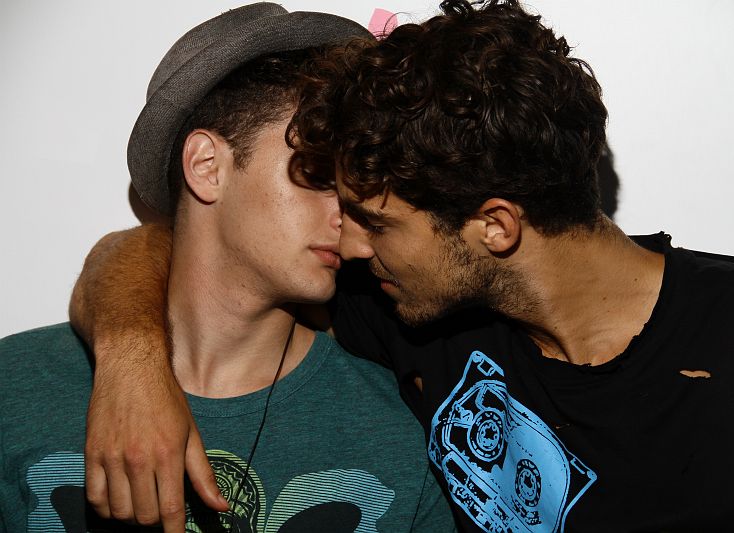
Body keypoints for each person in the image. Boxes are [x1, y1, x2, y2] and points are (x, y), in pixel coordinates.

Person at [67, 0, 734, 531]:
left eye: (377, 224)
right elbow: (155, 247)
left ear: (495, 227)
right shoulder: (406, 305)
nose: (353, 247)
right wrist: (132, 359)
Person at [0, 4, 457, 532]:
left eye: (355, 185)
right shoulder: (15, 388)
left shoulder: (399, 430)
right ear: (207, 167)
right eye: (318, 175)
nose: (348, 217)